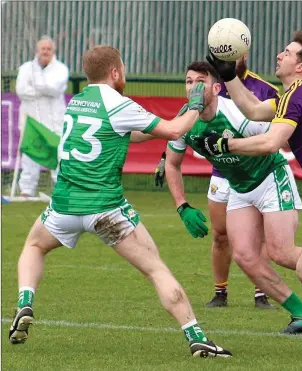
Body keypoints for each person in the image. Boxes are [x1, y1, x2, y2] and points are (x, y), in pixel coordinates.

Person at [8, 45, 232, 358]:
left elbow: (127, 132)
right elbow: (175, 130)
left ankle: (25, 303)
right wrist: (195, 103)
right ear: (115, 72)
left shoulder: (78, 103)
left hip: (63, 206)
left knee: (33, 246)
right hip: (105, 209)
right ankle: (196, 336)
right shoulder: (118, 103)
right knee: (156, 269)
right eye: (122, 68)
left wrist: (163, 126)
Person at [200, 30, 302, 355]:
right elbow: (251, 110)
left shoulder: (299, 94)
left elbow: (270, 142)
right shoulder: (295, 95)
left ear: (301, 67)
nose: (280, 55)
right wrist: (230, 76)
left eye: (287, 52)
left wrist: (225, 144)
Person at [165, 61, 302, 335]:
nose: (192, 87)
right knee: (245, 256)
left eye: (199, 81)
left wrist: (232, 144)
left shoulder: (237, 113)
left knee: (281, 252)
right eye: (188, 81)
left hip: (270, 176)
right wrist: (182, 206)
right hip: (239, 186)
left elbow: (276, 143)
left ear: (216, 88)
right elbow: (172, 163)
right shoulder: (184, 121)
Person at [205, 54, 280, 309]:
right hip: (222, 172)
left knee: (258, 237)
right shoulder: (212, 85)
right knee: (220, 235)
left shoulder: (265, 89)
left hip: (254, 172)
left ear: (245, 55)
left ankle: (262, 293)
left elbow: (274, 133)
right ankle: (220, 292)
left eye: (234, 54)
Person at [16, 36, 69, 196]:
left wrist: (37, 86)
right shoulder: (26, 68)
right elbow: (21, 91)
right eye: (42, 49)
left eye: (48, 49)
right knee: (30, 154)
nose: (45, 52)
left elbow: (54, 88)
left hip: (54, 121)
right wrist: (43, 89)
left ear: (53, 51)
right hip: (31, 120)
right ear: (37, 51)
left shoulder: (61, 69)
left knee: (59, 153)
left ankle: (60, 189)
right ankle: (26, 190)